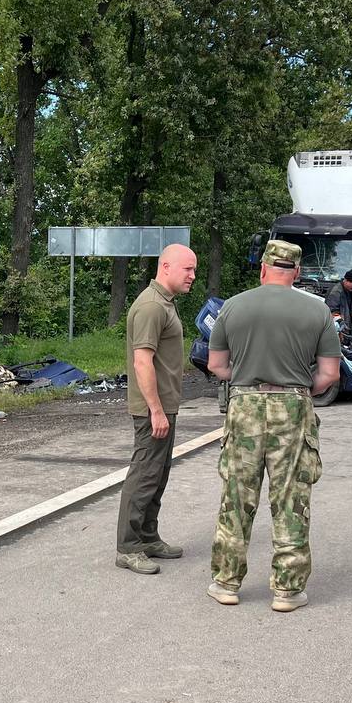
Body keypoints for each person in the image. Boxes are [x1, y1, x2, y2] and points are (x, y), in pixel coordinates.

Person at [204, 240, 341, 612]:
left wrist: (248, 378)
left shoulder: (233, 307)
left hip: (244, 404)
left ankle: (227, 583)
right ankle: (287, 590)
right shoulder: (317, 312)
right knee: (291, 499)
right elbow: (329, 373)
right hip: (294, 406)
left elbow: (217, 366)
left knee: (236, 496)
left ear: (263, 268)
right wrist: (296, 388)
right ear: (296, 272)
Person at [115, 244, 198, 575]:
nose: (193, 275)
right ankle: (128, 546)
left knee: (157, 475)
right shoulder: (151, 306)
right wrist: (155, 411)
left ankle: (148, 536)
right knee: (144, 475)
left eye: (194, 269)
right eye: (187, 269)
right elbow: (142, 361)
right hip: (153, 409)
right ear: (166, 267)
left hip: (165, 406)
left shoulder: (166, 303)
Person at [324, 269, 352, 343]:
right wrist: (341, 323)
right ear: (346, 280)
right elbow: (331, 312)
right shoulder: (335, 292)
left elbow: (349, 310)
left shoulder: (349, 291)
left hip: (346, 332)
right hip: (337, 334)